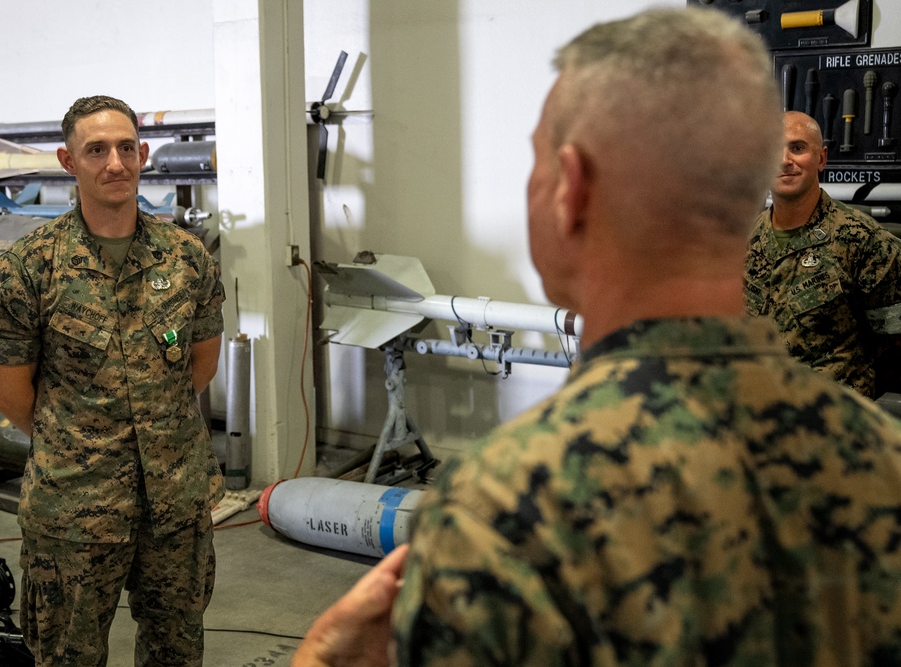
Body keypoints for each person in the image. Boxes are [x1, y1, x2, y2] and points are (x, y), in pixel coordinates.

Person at [293, 8, 901, 666]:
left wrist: (319, 661)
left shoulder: (506, 513)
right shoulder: (882, 462)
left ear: (571, 190)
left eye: (535, 163)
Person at [0, 95, 225, 666]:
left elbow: (200, 364)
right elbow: (7, 392)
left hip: (175, 502)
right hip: (74, 508)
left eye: (126, 148)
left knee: (176, 650)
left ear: (144, 155)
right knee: (67, 656)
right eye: (96, 150)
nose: (115, 162)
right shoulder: (28, 267)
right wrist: (79, 443)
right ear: (68, 161)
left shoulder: (186, 257)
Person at [744, 111, 901, 399]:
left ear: (821, 158)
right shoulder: (746, 240)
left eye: (798, 148)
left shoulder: (864, 240)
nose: (784, 160)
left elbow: (893, 348)